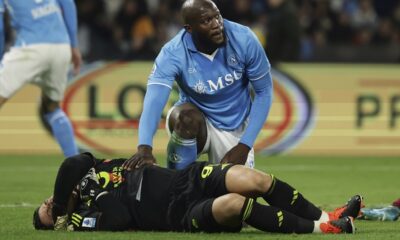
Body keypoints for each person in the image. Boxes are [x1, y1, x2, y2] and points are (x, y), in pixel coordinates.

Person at [33, 152, 363, 234]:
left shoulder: (84, 173)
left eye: (47, 202)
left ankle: (327, 215)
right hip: (177, 214)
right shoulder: (81, 219)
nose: (47, 204)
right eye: (47, 212)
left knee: (255, 179)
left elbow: (73, 161)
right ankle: (324, 229)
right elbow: (118, 219)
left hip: (187, 178)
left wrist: (63, 198)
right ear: (56, 221)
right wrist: (91, 198)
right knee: (237, 203)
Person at [123, 0, 274, 170]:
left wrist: (244, 145)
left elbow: (264, 92)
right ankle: (177, 182)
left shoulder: (244, 38)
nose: (217, 25)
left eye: (217, 17)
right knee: (186, 118)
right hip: (196, 121)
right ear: (189, 28)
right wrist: (144, 147)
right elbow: (154, 102)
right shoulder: (173, 53)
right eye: (206, 21)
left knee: (237, 194)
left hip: (235, 126)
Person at [0, 0, 81, 157]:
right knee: (52, 108)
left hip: (31, 47)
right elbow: (68, 4)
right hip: (61, 46)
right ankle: (78, 170)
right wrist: (74, 44)